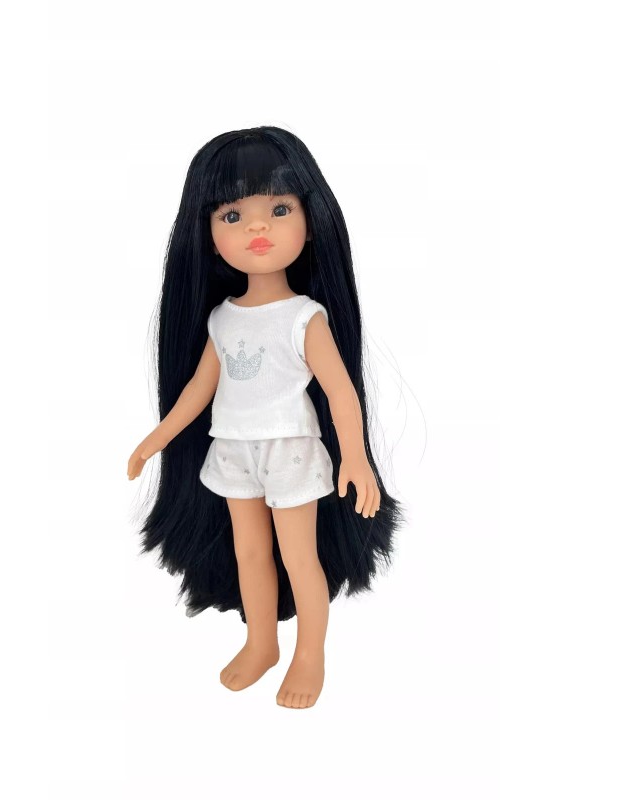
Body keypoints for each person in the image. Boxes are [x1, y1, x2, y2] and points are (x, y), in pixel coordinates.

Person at [127, 125, 406, 709]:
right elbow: (198, 391)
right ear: (207, 235)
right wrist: (156, 439)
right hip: (232, 449)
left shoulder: (305, 317)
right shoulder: (222, 318)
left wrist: (355, 457)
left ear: (311, 221)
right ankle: (261, 642)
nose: (258, 228)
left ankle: (310, 653)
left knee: (299, 556)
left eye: (279, 210)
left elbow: (341, 392)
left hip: (291, 451)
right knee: (249, 553)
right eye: (233, 216)